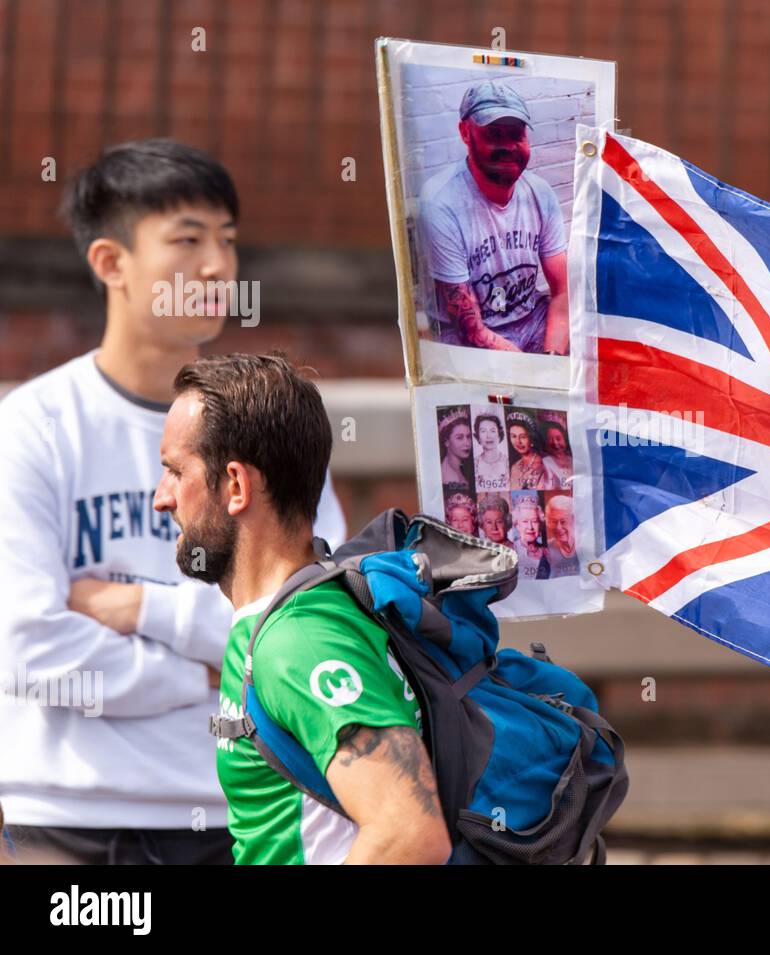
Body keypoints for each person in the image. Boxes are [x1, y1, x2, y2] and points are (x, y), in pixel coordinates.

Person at [0, 140, 346, 865]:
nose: (219, 267)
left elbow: (313, 621)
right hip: (63, 816)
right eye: (188, 239)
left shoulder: (269, 427)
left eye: (227, 240)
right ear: (111, 263)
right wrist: (208, 667)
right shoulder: (33, 425)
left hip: (244, 814)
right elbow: (26, 646)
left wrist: (135, 609)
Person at [154, 353, 450, 865]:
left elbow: (410, 834)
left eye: (177, 472)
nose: (162, 498)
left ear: (236, 487)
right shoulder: (284, 618)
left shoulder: (299, 642)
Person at [417, 80, 569, 354]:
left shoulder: (540, 193)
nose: (508, 146)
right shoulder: (441, 202)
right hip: (471, 340)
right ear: (465, 133)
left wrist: (551, 362)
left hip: (531, 321)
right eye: (495, 134)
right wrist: (528, 375)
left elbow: (562, 293)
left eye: (516, 134)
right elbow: (470, 329)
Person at [507, 411, 557, 491]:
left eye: (523, 437)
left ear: (531, 438)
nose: (518, 442)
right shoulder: (514, 467)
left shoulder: (546, 463)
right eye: (513, 436)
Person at [510, 495, 550, 581]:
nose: (530, 527)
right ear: (517, 525)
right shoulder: (511, 551)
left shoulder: (548, 552)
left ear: (540, 524)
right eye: (525, 521)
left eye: (534, 521)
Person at [544, 495, 579, 578]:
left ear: (574, 520)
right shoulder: (546, 549)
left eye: (563, 521)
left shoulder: (585, 543)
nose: (558, 527)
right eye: (554, 522)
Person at [472, 412, 509, 492]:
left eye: (492, 431)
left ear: (499, 435)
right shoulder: (473, 464)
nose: (488, 436)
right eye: (483, 431)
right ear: (478, 436)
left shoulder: (509, 462)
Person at [438, 408, 474, 490]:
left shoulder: (460, 467)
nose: (467, 443)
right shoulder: (449, 477)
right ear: (446, 442)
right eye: (459, 438)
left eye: (468, 437)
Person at [540, 419, 573, 489]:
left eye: (558, 439)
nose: (555, 443)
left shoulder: (572, 459)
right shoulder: (545, 462)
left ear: (565, 439)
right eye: (550, 439)